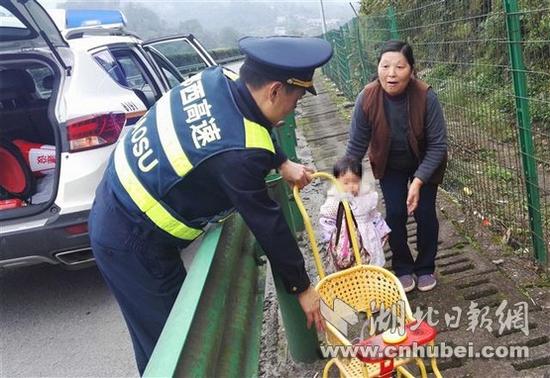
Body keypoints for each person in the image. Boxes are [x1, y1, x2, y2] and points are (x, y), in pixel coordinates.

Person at [88, 36, 332, 374]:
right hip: (131, 239)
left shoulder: (217, 79)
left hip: (120, 199)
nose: (295, 108)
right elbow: (269, 226)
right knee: (172, 353)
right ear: (275, 91)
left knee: (165, 341)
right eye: (297, 98)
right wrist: (302, 288)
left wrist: (281, 161)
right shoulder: (238, 157)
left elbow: (248, 121)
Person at [344, 40, 447, 293]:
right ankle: (402, 267)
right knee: (395, 214)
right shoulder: (367, 97)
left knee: (424, 213)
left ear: (411, 70)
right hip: (390, 164)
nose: (391, 73)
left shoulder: (426, 96)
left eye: (399, 67)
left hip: (425, 162)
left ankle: (425, 267)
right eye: (385, 66)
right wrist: (348, 176)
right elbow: (356, 144)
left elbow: (437, 146)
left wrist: (419, 180)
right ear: (378, 67)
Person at [319, 156, 390, 269]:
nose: (351, 186)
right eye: (346, 183)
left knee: (372, 261)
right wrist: (331, 238)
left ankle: (372, 280)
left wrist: (382, 231)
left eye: (355, 182)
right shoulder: (334, 201)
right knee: (351, 266)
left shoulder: (367, 197)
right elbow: (327, 220)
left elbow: (374, 215)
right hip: (347, 240)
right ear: (336, 181)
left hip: (368, 237)